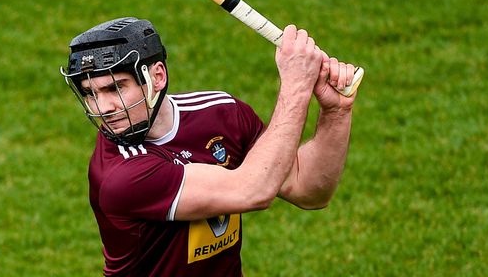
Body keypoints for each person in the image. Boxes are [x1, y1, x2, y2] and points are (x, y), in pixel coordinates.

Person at [60, 17, 357, 276]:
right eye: (90, 93)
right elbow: (252, 191)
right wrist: (296, 86)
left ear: (157, 76)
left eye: (115, 87)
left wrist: (336, 112)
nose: (103, 107)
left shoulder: (221, 113)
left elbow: (309, 191)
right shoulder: (121, 175)